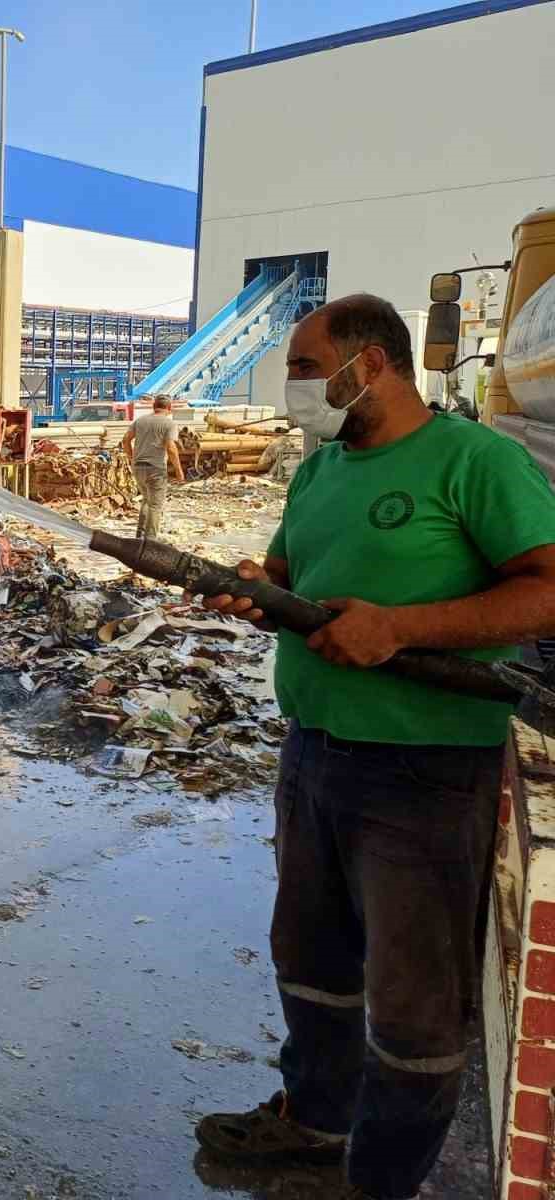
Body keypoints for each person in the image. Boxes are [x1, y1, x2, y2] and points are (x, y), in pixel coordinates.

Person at [192, 293, 555, 1199]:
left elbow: (547, 589)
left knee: (412, 998)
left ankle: (383, 1179)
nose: (294, 387)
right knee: (309, 959)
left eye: (309, 368)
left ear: (373, 365)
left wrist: (400, 628)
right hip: (313, 752)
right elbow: (284, 573)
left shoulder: (475, 461)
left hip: (424, 774)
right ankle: (316, 1122)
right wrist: (249, 585)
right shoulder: (318, 472)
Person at [120, 394, 184, 538]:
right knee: (155, 506)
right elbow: (171, 448)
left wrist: (131, 457)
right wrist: (179, 471)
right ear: (169, 408)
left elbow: (125, 440)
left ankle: (140, 536)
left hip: (138, 467)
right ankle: (150, 542)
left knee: (146, 500)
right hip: (155, 469)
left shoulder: (140, 421)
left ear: (154, 407)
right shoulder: (169, 424)